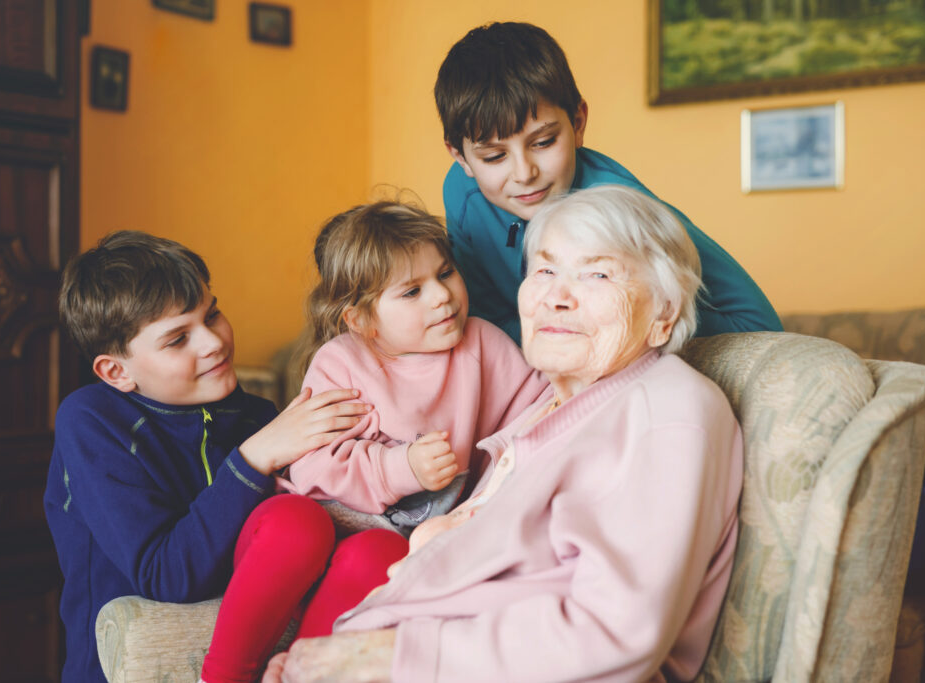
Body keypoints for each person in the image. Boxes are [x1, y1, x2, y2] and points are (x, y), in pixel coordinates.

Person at [267, 185, 746, 683]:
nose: (556, 297)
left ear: (664, 315)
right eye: (545, 269)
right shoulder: (550, 415)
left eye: (598, 274)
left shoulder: (666, 408)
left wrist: (383, 657)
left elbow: (615, 631)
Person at [43, 231, 373, 683]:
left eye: (212, 314)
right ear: (116, 371)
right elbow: (166, 576)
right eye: (177, 339)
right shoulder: (91, 421)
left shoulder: (255, 415)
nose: (213, 341)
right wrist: (255, 457)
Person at [436, 21, 782, 344]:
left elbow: (759, 326)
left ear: (578, 122)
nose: (524, 174)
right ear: (461, 158)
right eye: (494, 157)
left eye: (543, 143)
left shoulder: (623, 206)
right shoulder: (462, 193)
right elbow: (485, 319)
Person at [279, 201, 550, 527]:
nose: (441, 295)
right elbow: (313, 466)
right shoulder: (340, 364)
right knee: (348, 554)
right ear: (362, 320)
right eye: (412, 291)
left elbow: (543, 411)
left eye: (446, 273)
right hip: (344, 525)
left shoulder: (483, 343)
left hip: (441, 530)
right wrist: (401, 468)